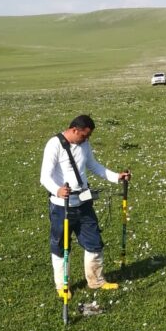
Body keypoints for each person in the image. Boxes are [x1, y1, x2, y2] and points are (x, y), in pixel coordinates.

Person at [40, 115, 130, 298]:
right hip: (61, 206)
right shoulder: (54, 145)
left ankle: (96, 281)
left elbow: (93, 165)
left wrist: (116, 177)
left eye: (89, 136)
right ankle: (62, 286)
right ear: (74, 130)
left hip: (84, 203)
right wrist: (57, 190)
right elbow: (44, 177)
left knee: (94, 242)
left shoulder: (84, 145)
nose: (87, 139)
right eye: (84, 135)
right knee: (61, 246)